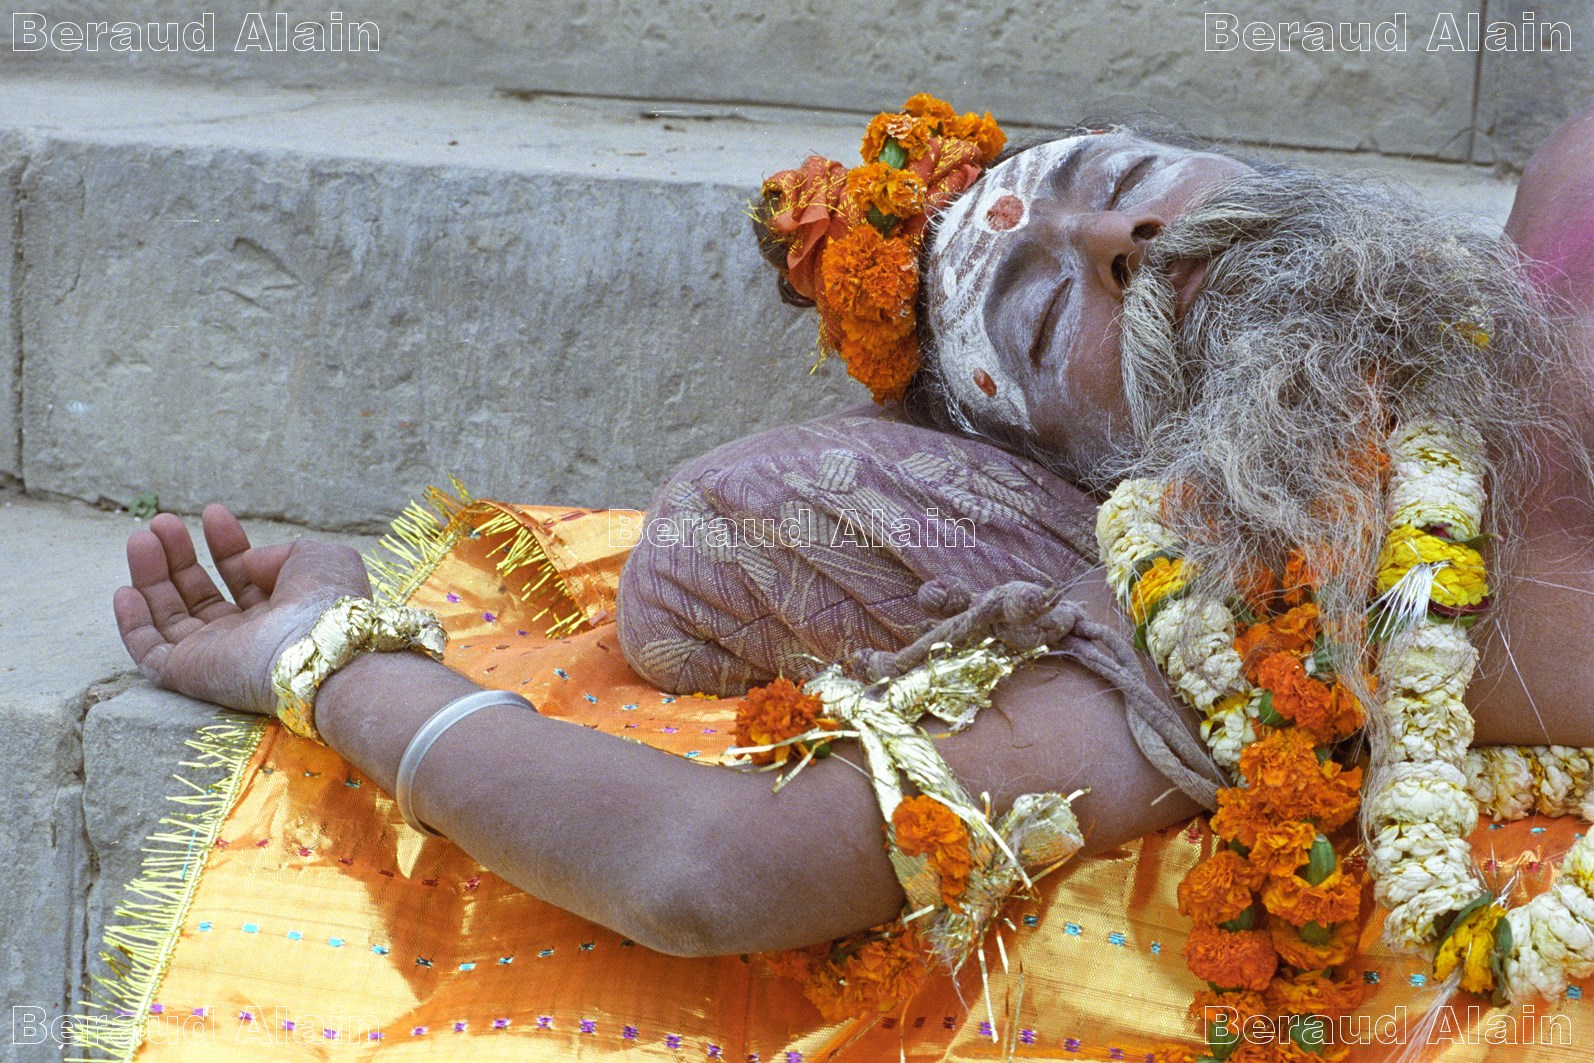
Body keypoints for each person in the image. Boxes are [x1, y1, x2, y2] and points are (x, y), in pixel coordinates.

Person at [110, 100, 1594, 973]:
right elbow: (708, 864)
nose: (1123, 244)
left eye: (1126, 187)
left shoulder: (1565, 207)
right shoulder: (1220, 623)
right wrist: (322, 652)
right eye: (1043, 309)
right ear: (1083, 464)